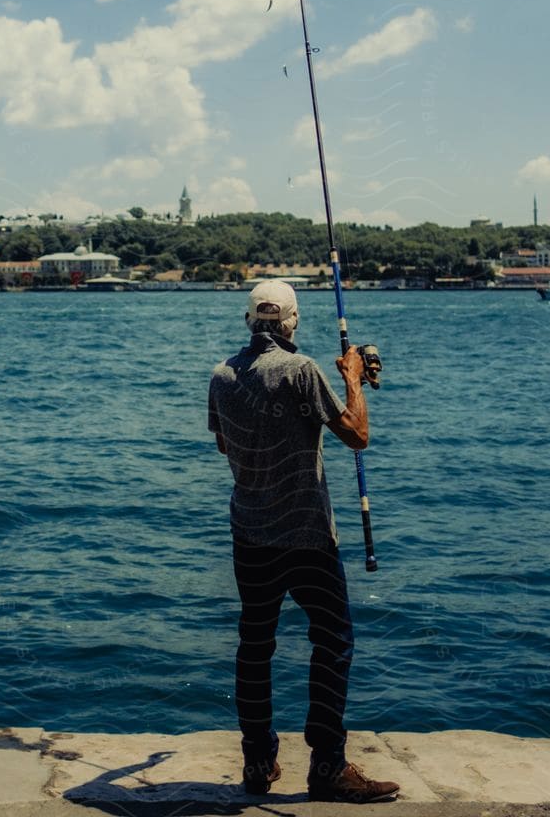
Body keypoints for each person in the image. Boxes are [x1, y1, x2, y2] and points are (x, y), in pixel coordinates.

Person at [208, 280, 399, 803]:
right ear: (291, 322)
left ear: (249, 320)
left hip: (249, 533)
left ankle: (257, 762)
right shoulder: (301, 370)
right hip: (308, 536)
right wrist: (353, 378)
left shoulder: (222, 375)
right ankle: (328, 767)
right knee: (334, 642)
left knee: (255, 644)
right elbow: (357, 435)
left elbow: (225, 441)